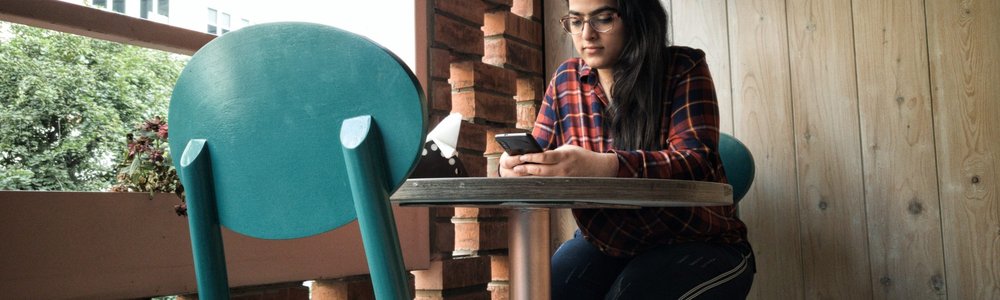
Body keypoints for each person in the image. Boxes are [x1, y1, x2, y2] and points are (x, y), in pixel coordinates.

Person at [497, 0, 755, 298]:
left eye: (603, 19)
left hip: (700, 241)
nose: (587, 34)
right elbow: (538, 156)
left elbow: (695, 160)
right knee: (543, 291)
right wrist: (514, 167)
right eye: (576, 22)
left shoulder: (683, 68)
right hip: (608, 243)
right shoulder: (566, 79)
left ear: (636, 19)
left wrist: (602, 165)